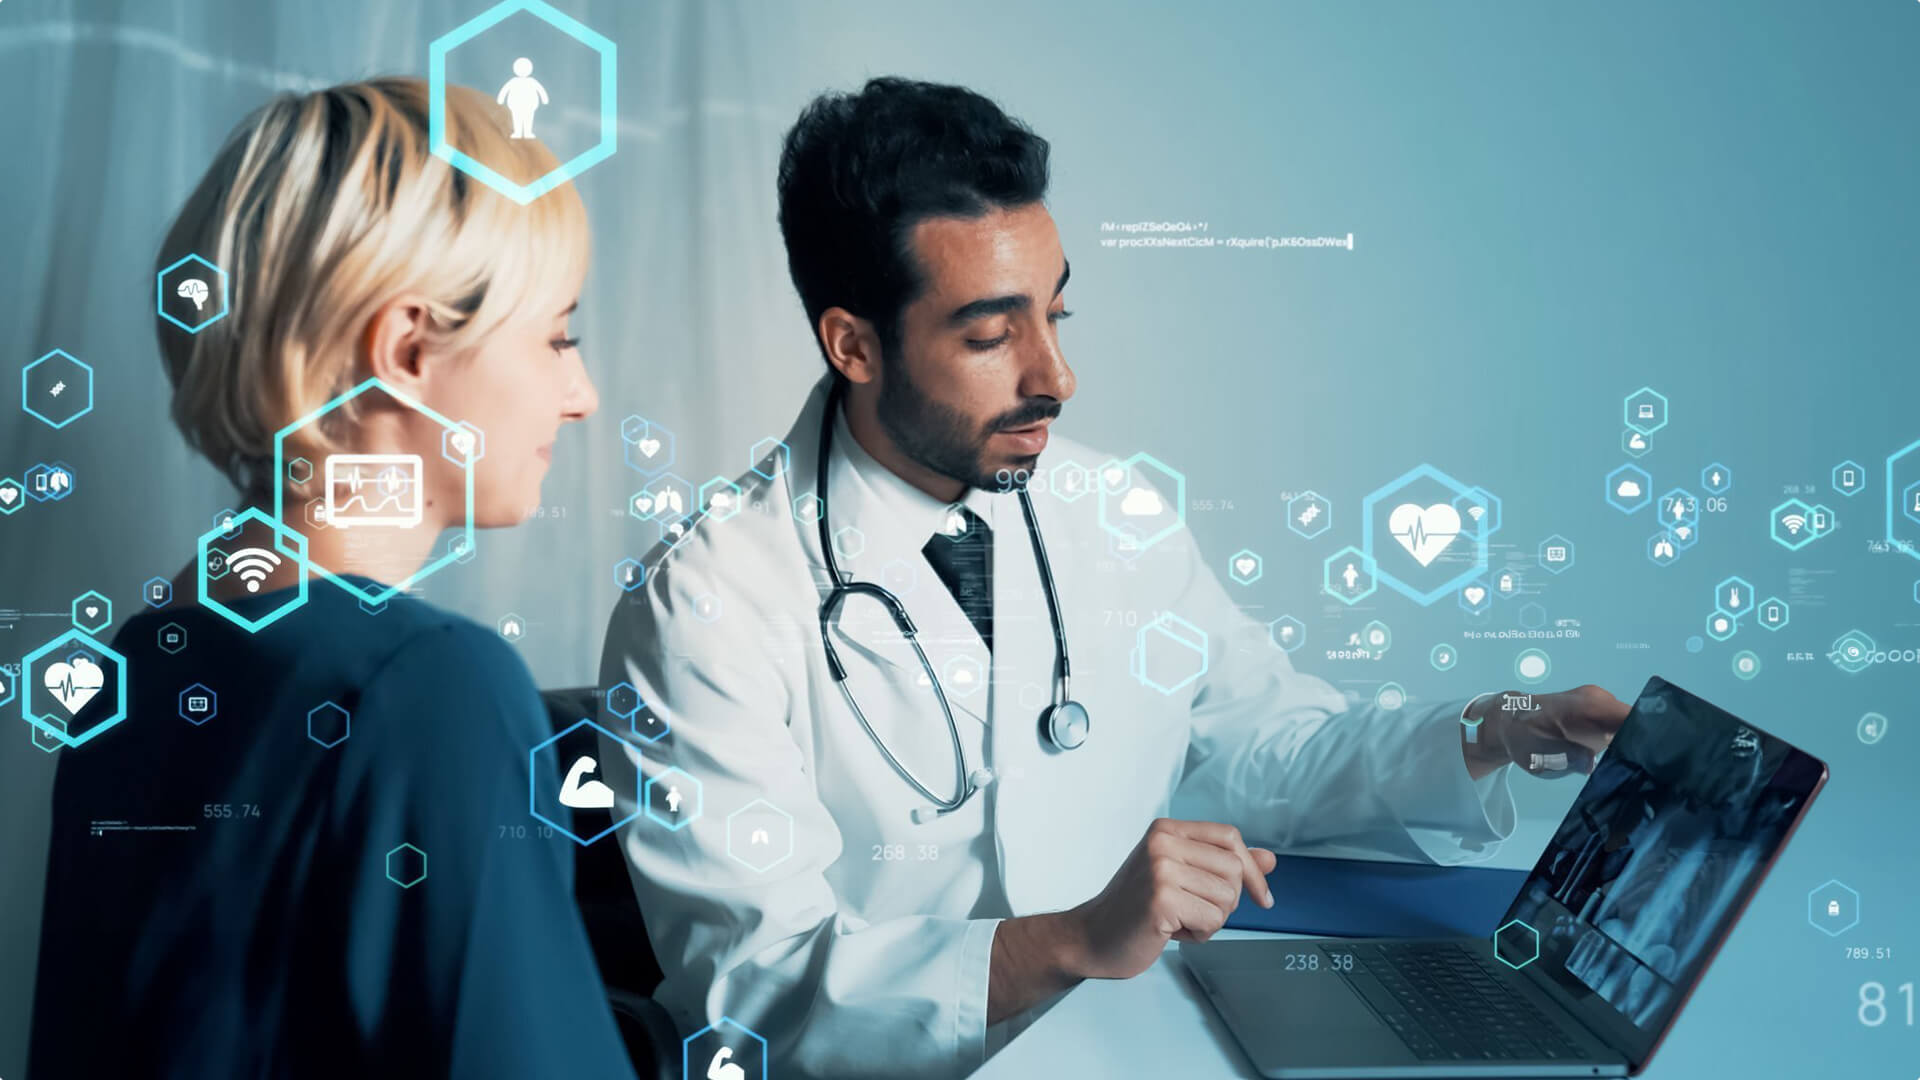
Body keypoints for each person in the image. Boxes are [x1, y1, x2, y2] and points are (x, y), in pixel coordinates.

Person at [598, 76, 1628, 1080]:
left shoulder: (1111, 510)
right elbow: (758, 992)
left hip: (1139, 1044)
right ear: (855, 345)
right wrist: (1072, 940)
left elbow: (1272, 748)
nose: (1055, 377)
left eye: (1059, 316)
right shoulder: (705, 605)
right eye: (992, 334)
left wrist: (1496, 728)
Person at [30, 78, 635, 1079]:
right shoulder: (430, 684)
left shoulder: (129, 667)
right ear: (404, 350)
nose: (581, 394)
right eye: (557, 335)